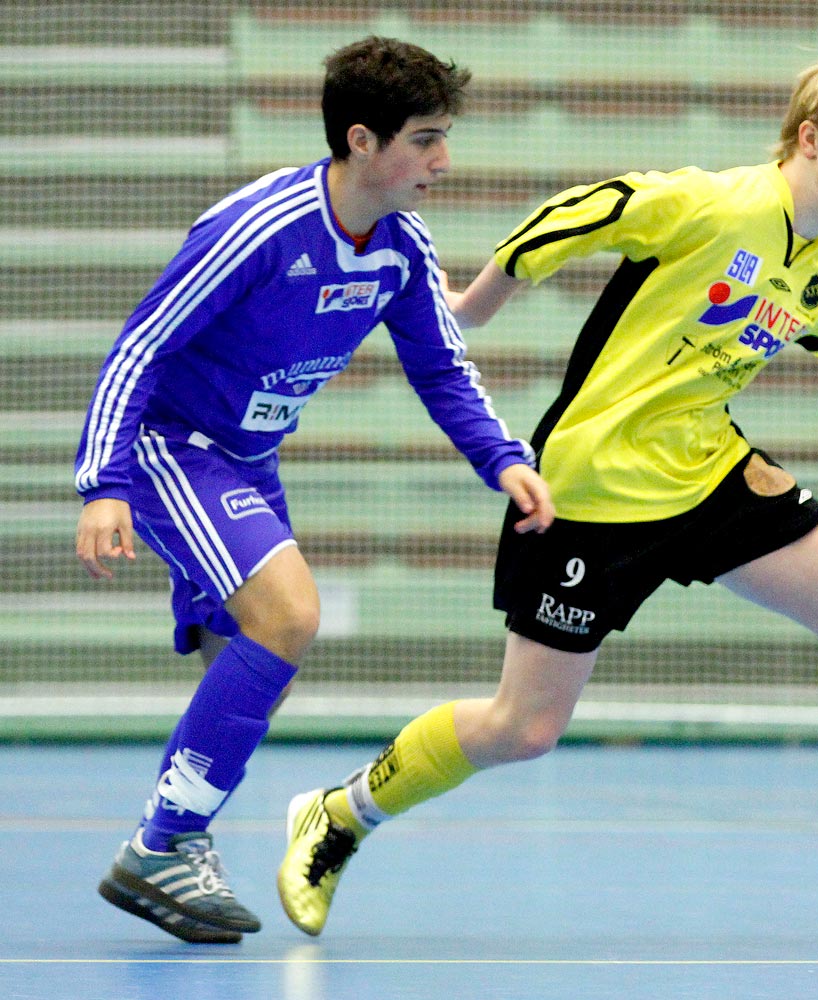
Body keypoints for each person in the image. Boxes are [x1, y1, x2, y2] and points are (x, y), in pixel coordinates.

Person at [276, 27, 818, 938]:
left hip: (709, 474)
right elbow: (584, 211)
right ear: (810, 137)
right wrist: (472, 304)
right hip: (592, 494)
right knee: (522, 729)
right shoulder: (710, 205)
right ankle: (338, 814)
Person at [74, 36, 553, 943]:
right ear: (363, 141)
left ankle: (175, 840)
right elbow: (141, 346)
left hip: (248, 461)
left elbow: (442, 370)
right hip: (174, 447)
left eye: (445, 137)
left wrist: (504, 459)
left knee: (257, 661)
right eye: (425, 139)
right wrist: (105, 485)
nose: (442, 161)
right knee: (290, 617)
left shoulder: (401, 247)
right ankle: (162, 844)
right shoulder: (258, 229)